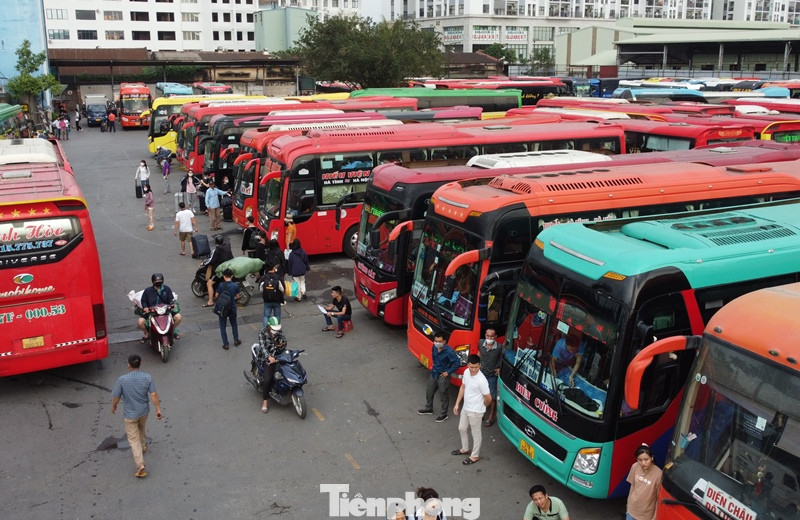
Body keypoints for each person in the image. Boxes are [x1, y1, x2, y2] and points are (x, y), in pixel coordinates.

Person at [111, 354, 162, 479]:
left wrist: (114, 406)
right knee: (141, 429)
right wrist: (158, 409)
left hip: (130, 414)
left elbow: (116, 396)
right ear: (140, 364)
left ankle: (140, 466)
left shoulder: (122, 380)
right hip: (144, 412)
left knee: (133, 440)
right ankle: (143, 446)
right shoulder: (147, 377)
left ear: (129, 365)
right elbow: (154, 394)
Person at [452, 354, 491, 465]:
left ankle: (475, 455)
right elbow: (463, 387)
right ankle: (465, 449)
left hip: (476, 411)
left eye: (476, 367)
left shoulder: (482, 380)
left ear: (480, 365)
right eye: (471, 367)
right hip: (466, 407)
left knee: (476, 433)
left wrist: (482, 406)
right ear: (468, 365)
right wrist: (457, 404)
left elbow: (488, 398)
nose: (474, 370)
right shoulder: (466, 373)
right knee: (462, 428)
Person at [418, 332, 461, 423]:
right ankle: (429, 408)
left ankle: (443, 414)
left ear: (444, 341)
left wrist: (448, 372)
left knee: (443, 395)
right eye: (436, 341)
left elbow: (457, 363)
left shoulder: (449, 352)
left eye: (439, 341)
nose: (437, 343)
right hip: (434, 373)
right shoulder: (434, 347)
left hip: (443, 376)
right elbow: (434, 357)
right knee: (429, 391)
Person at [136, 273, 182, 342]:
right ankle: (147, 333)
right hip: (152, 313)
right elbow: (144, 301)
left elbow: (171, 299)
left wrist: (172, 304)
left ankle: (172, 331)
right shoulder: (148, 291)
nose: (158, 284)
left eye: (160, 282)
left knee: (178, 317)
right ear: (153, 282)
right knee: (140, 322)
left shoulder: (167, 289)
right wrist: (145, 307)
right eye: (157, 282)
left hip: (166, 311)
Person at [257, 317, 287, 413]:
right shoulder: (262, 332)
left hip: (278, 355)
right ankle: (265, 401)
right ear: (269, 326)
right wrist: (269, 357)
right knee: (267, 379)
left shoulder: (279, 331)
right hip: (267, 358)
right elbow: (262, 347)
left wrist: (282, 344)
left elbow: (284, 341)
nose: (276, 331)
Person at [626, 444, 662, 520]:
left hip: (646, 515)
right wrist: (628, 505)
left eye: (646, 459)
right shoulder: (635, 466)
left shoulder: (659, 474)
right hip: (631, 511)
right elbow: (632, 486)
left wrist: (654, 517)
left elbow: (658, 498)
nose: (643, 463)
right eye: (640, 460)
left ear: (652, 457)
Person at [478, 328, 502, 427]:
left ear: (495, 337)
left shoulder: (500, 347)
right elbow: (479, 353)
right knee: (480, 394)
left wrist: (500, 368)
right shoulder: (480, 343)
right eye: (487, 336)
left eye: (491, 336)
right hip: (482, 374)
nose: (489, 338)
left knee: (492, 397)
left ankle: (491, 417)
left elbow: (503, 359)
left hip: (492, 376)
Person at [203, 234, 233, 307]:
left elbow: (212, 260)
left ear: (215, 242)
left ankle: (210, 301)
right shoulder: (227, 247)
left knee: (209, 284)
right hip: (228, 267)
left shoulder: (217, 249)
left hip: (219, 270)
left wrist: (204, 263)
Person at [215, 268, 241, 350]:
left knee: (222, 325)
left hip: (223, 308)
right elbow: (238, 296)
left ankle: (226, 344)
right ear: (232, 276)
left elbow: (216, 295)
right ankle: (236, 340)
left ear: (224, 276)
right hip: (232, 307)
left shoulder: (221, 285)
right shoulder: (235, 285)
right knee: (234, 323)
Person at [261, 262, 285, 326]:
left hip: (267, 300)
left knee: (266, 316)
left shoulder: (263, 278)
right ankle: (276, 329)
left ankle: (266, 330)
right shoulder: (278, 278)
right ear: (273, 268)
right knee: (277, 315)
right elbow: (282, 289)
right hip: (276, 299)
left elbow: (260, 289)